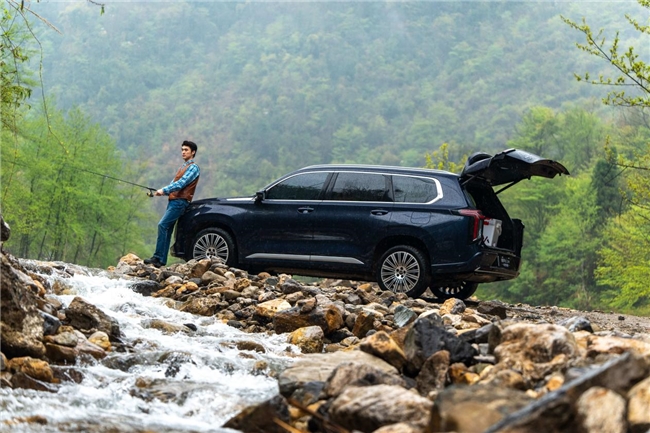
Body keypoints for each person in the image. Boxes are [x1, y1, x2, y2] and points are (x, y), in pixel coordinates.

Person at [144, 140, 200, 267]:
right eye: (182, 150)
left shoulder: (193, 167)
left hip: (180, 202)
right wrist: (159, 192)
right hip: (174, 202)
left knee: (162, 225)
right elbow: (172, 185)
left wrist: (163, 190)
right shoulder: (183, 167)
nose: (183, 152)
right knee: (167, 229)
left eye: (186, 150)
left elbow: (181, 184)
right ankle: (161, 261)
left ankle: (157, 257)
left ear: (193, 152)